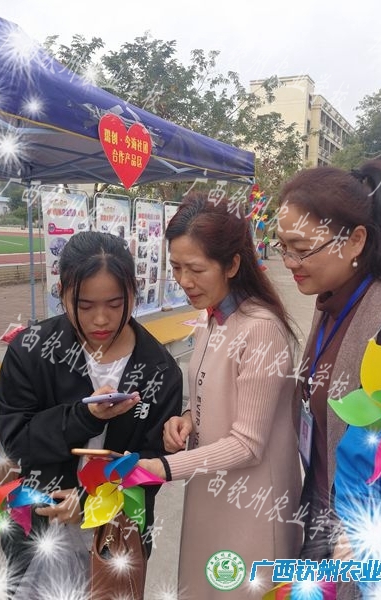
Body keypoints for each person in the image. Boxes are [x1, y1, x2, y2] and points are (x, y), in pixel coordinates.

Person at [277, 160, 381, 599]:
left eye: (300, 248)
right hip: (321, 515)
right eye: (282, 247)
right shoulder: (333, 300)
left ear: (355, 241)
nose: (289, 261)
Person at [0, 231, 183, 597]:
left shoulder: (159, 369)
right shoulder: (31, 351)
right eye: (84, 305)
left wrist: (89, 501)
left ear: (134, 292)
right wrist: (87, 417)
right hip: (40, 531)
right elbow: (17, 441)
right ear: (62, 292)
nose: (101, 319)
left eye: (115, 304)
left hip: (116, 537)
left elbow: (153, 465)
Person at [138, 194, 303, 599]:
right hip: (212, 491)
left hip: (251, 504)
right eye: (176, 267)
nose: (184, 281)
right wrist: (188, 419)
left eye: (196, 269)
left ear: (232, 265)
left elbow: (247, 444)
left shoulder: (260, 329)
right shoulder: (211, 317)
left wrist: (163, 467)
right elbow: (210, 389)